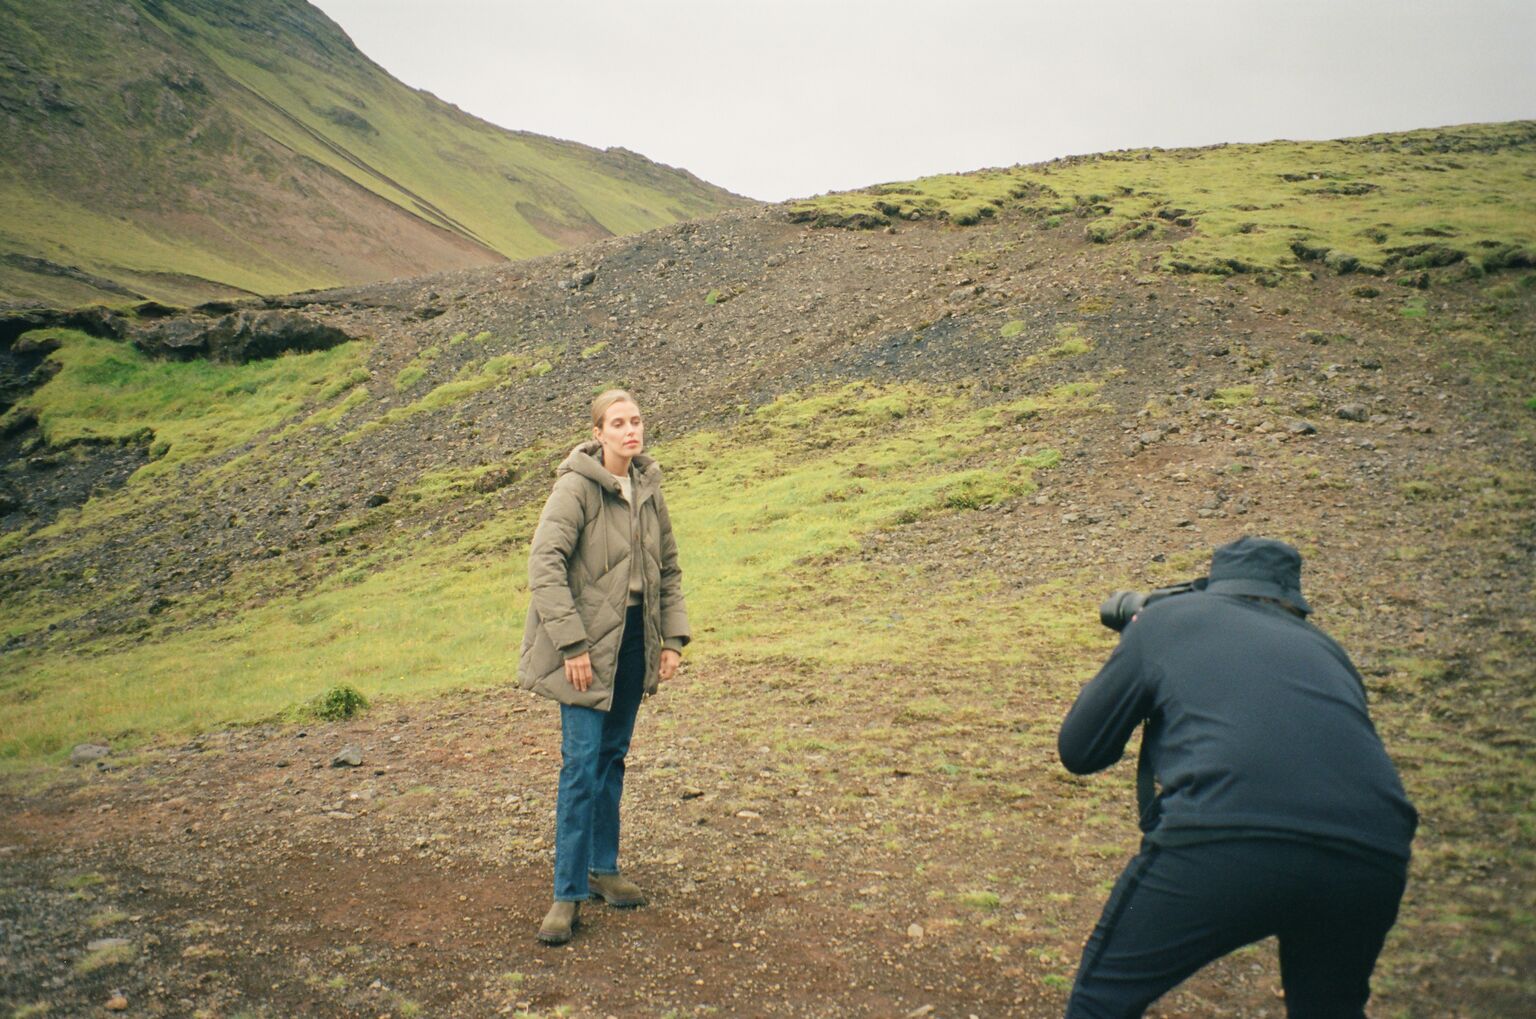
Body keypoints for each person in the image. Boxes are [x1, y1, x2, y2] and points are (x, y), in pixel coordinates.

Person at [1057, 536, 1417, 1019]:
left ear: (1216, 584)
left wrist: (1138, 644)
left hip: (1227, 832)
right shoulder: (1329, 650)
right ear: (1293, 599)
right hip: (1373, 852)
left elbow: (1080, 752)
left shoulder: (1167, 620)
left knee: (1103, 999)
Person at [519, 388, 690, 945]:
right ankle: (566, 894)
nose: (630, 430)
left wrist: (672, 639)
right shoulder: (575, 488)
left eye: (636, 420)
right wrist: (571, 645)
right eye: (617, 423)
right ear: (598, 433)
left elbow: (668, 568)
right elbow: (544, 564)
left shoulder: (649, 487)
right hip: (586, 649)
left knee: (612, 757)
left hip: (635, 641)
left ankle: (602, 867)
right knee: (581, 765)